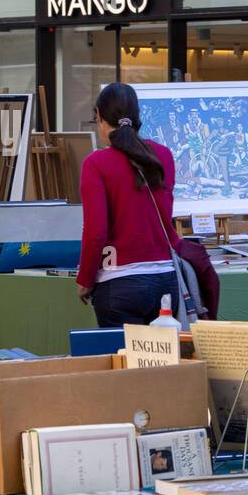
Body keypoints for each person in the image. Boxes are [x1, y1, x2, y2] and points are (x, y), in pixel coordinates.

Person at [77, 82, 181, 326]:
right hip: (166, 280)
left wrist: (85, 279)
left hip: (119, 283)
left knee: (123, 361)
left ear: (100, 117)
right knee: (162, 363)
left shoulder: (96, 164)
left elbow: (96, 233)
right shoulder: (163, 156)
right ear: (137, 118)